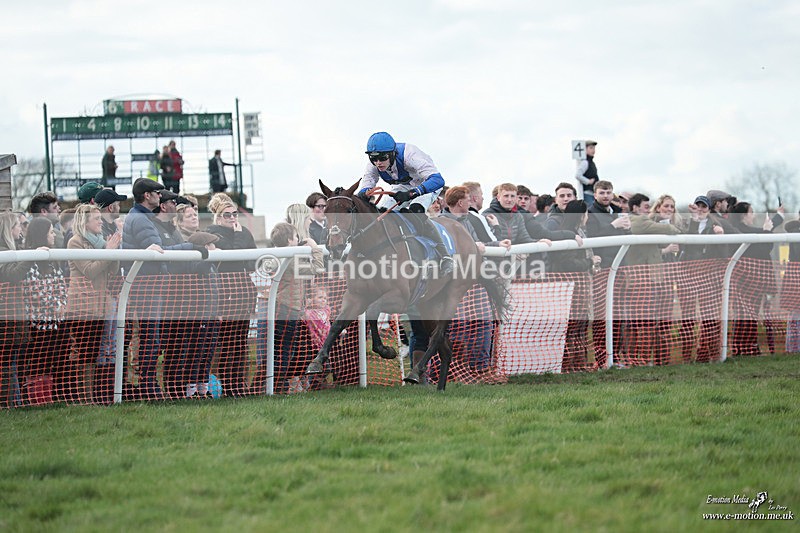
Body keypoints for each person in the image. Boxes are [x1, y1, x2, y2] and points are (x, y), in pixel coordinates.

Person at [122, 178, 200, 398]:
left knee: (153, 336)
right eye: (157, 193)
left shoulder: (141, 217)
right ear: (148, 196)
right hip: (147, 285)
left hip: (149, 283)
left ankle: (149, 384)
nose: (160, 196)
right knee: (151, 337)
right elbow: (161, 250)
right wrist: (192, 247)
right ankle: (148, 385)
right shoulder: (141, 219)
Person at [357, 131, 454, 276]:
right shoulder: (374, 165)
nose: (378, 163)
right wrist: (365, 192)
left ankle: (444, 255)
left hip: (426, 184)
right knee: (383, 211)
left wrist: (412, 193)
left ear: (392, 154)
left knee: (415, 211)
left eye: (382, 158)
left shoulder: (410, 155)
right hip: (403, 186)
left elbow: (438, 180)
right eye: (373, 158)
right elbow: (365, 186)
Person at [67, 204, 122, 404]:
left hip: (99, 305)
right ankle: (83, 397)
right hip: (82, 306)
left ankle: (94, 396)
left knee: (95, 353)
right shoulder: (75, 242)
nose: (101, 221)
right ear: (85, 221)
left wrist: (114, 251)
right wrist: (108, 252)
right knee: (84, 353)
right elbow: (89, 270)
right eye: (96, 218)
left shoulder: (100, 242)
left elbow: (112, 270)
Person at [206, 199, 257, 397]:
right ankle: (226, 385)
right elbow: (231, 257)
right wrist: (237, 236)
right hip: (225, 294)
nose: (233, 218)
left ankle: (238, 384)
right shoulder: (214, 233)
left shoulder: (244, 232)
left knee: (240, 342)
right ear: (218, 217)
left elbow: (252, 261)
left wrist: (240, 237)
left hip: (243, 293)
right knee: (226, 343)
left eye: (235, 213)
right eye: (227, 214)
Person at [623, 193, 682, 366]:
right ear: (636, 208)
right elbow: (672, 230)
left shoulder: (644, 222)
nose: (647, 211)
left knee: (650, 320)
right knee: (644, 321)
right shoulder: (641, 222)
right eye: (646, 207)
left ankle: (651, 358)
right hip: (644, 279)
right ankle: (640, 359)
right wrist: (671, 229)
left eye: (672, 207)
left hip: (653, 277)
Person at [270, 222, 324, 393]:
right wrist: (315, 248)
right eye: (295, 237)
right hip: (287, 309)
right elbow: (318, 268)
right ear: (289, 240)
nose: (298, 239)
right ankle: (280, 386)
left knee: (281, 349)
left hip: (283, 307)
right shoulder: (291, 259)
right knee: (284, 350)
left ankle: (279, 385)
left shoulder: (283, 255)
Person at [0, 212, 30, 407]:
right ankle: (10, 404)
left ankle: (15, 404)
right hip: (7, 319)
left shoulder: (13, 249)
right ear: (9, 230)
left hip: (13, 318)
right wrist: (31, 255)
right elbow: (14, 274)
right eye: (18, 225)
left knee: (11, 363)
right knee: (7, 363)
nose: (21, 228)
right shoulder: (4, 252)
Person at [575, 140, 599, 207]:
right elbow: (577, 175)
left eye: (594, 148)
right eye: (591, 148)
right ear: (585, 149)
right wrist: (588, 181)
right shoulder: (585, 162)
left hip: (592, 193)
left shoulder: (591, 162)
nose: (593, 150)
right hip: (588, 193)